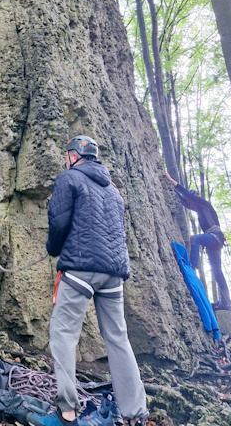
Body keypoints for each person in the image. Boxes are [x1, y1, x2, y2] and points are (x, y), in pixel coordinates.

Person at [28, 136, 147, 426]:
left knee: (64, 334)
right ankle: (135, 415)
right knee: (118, 339)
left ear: (72, 156)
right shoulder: (114, 190)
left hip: (80, 268)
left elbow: (58, 222)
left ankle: (67, 412)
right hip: (114, 274)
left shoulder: (68, 179)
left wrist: (54, 250)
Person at [163, 171, 231, 311]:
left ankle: (192, 266)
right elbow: (184, 201)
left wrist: (170, 179)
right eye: (190, 204)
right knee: (217, 271)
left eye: (192, 202)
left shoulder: (204, 204)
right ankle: (227, 303)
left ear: (197, 198)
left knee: (195, 238)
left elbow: (187, 195)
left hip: (215, 237)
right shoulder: (199, 209)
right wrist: (170, 189)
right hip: (214, 242)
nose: (191, 206)